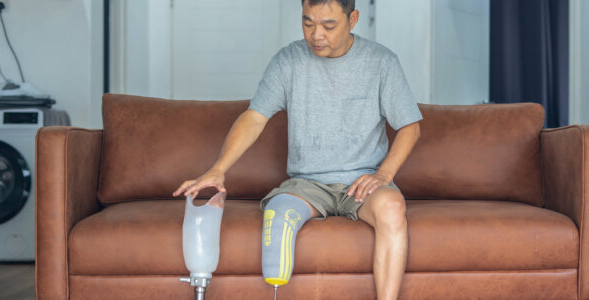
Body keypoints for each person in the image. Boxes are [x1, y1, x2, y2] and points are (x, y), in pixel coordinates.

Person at [173, 0, 421, 298]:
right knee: (278, 215)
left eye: (328, 25)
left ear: (352, 19)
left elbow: (410, 126)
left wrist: (384, 174)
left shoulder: (382, 62)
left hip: (363, 182)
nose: (316, 35)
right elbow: (254, 118)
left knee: (393, 208)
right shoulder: (288, 61)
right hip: (306, 184)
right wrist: (218, 169)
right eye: (308, 23)